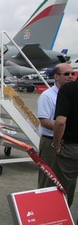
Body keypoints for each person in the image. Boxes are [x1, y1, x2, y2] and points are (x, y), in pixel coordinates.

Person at [36, 63, 74, 188]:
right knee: (48, 178)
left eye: (72, 74)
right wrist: (63, 128)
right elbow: (44, 121)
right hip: (51, 143)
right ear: (56, 76)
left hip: (69, 144)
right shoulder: (47, 96)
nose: (71, 77)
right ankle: (44, 206)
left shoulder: (72, 94)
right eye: (67, 74)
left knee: (66, 182)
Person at [49, 70, 78, 207]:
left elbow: (60, 122)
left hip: (71, 148)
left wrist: (56, 145)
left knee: (64, 188)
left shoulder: (68, 89)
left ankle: (61, 218)